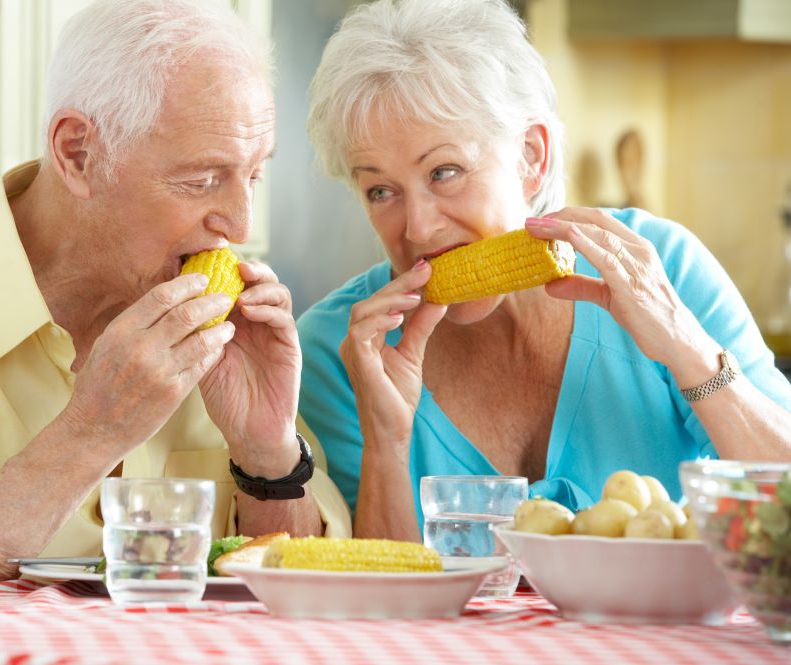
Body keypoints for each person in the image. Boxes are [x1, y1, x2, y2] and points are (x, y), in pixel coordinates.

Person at [0, 0, 350, 636]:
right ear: (78, 153)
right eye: (203, 179)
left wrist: (266, 453)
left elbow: (311, 604)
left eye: (254, 173)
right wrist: (90, 433)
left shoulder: (227, 336)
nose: (242, 225)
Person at [298, 0, 791, 541]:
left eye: (444, 172)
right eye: (380, 190)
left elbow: (781, 507)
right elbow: (374, 601)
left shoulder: (662, 267)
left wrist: (685, 348)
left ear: (531, 157)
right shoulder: (336, 351)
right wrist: (387, 442)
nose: (416, 228)